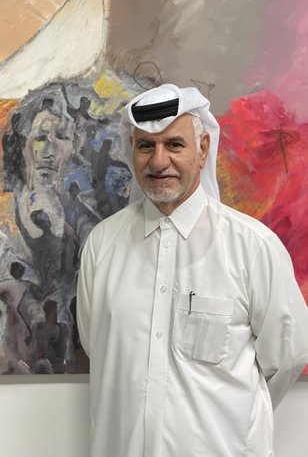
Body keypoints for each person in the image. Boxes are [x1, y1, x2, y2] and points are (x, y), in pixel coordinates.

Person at [77, 84, 308, 457]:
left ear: (202, 150)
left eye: (174, 144)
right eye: (146, 146)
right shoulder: (102, 245)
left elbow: (288, 356)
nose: (158, 161)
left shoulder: (251, 247)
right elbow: (98, 344)